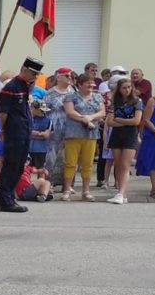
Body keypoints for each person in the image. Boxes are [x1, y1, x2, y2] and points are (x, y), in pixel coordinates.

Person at [0, 58, 40, 213]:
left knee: (19, 165)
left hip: (24, 131)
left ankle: (10, 197)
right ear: (24, 70)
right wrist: (3, 130)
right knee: (11, 165)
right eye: (33, 73)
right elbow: (3, 112)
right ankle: (5, 200)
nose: (35, 76)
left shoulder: (24, 86)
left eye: (37, 74)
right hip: (14, 131)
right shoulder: (11, 87)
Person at [62, 74, 105, 202]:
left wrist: (90, 118)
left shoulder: (97, 97)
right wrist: (84, 119)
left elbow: (102, 112)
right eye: (88, 83)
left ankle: (86, 191)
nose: (91, 85)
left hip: (91, 135)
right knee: (70, 163)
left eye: (92, 83)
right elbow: (70, 112)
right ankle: (67, 190)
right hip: (73, 134)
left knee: (88, 164)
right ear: (80, 84)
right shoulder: (70, 96)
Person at [105, 76, 143, 205]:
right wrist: (126, 122)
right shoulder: (115, 102)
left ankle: (121, 193)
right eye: (124, 88)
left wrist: (120, 120)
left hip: (130, 135)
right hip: (117, 135)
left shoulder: (137, 101)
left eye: (129, 87)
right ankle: (122, 192)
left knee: (126, 165)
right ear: (119, 89)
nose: (127, 90)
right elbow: (110, 122)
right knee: (118, 164)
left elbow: (136, 121)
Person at [43, 67, 75, 187]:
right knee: (52, 155)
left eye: (71, 76)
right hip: (54, 126)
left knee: (69, 155)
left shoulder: (73, 92)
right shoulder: (50, 93)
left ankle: (67, 184)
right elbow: (44, 110)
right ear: (58, 77)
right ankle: (49, 182)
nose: (69, 78)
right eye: (67, 76)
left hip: (71, 126)